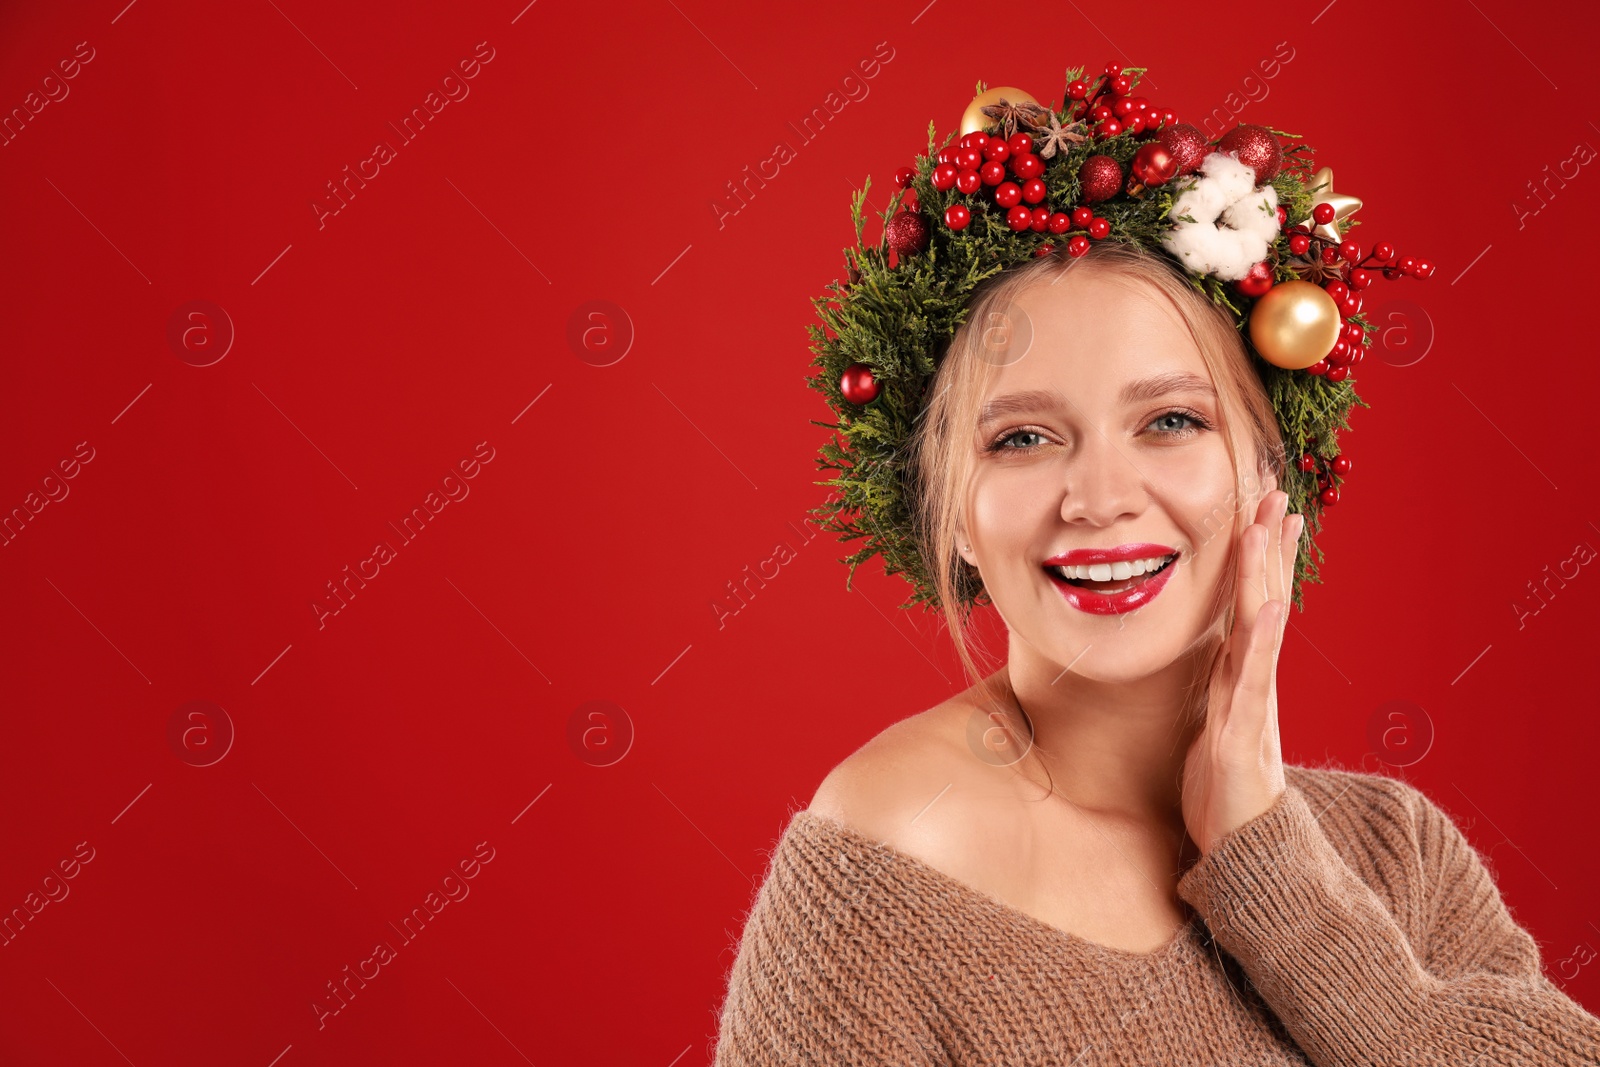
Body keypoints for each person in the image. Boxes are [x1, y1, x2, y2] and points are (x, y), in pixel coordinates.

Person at [709, 63, 1600, 1066]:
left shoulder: (1392, 852)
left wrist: (1275, 872)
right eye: (1020, 438)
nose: (1098, 495)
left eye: (1170, 419)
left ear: (1272, 469)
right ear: (951, 512)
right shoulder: (885, 866)